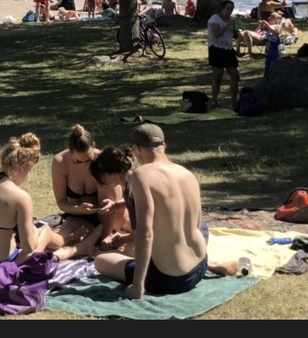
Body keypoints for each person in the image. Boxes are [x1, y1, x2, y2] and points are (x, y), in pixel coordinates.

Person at [93, 124, 240, 299]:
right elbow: (196, 223)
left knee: (101, 261)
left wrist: (138, 285)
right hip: (200, 266)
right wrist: (118, 205)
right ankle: (211, 265)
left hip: (171, 279)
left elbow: (145, 232)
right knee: (185, 228)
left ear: (136, 149)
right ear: (164, 145)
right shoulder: (187, 174)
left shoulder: (141, 175)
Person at [0, 132, 102, 272]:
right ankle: (73, 244)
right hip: (4, 266)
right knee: (43, 231)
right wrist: (32, 230)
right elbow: (29, 247)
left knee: (40, 231)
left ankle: (68, 240)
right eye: (29, 171)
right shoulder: (20, 196)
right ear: (24, 167)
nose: (26, 177)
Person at [51, 124, 101, 245]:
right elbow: (61, 201)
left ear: (93, 146)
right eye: (78, 161)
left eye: (89, 159)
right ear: (70, 152)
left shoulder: (102, 159)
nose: (85, 165)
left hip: (105, 217)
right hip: (76, 215)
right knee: (61, 239)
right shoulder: (60, 162)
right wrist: (79, 209)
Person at [89, 146, 133, 252]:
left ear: (111, 173)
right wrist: (115, 206)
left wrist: (123, 239)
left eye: (100, 175)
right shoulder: (130, 183)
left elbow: (147, 232)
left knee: (103, 261)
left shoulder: (136, 186)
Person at [207, 0, 241, 110]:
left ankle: (234, 103)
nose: (229, 11)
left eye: (231, 9)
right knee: (218, 76)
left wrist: (235, 28)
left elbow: (235, 36)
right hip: (216, 49)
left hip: (228, 49)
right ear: (222, 8)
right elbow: (216, 34)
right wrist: (228, 25)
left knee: (235, 76)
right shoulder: (214, 19)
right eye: (227, 9)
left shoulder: (231, 20)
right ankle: (215, 101)